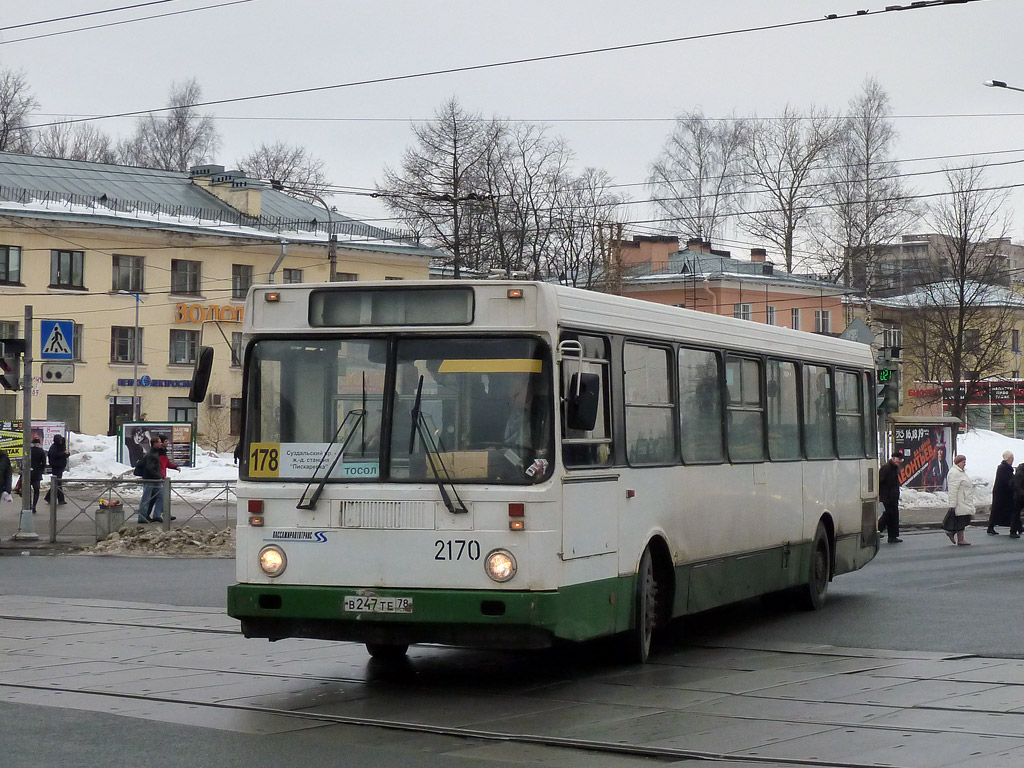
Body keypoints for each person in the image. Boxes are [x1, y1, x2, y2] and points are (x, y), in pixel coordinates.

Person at [946, 454, 975, 546]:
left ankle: (954, 534)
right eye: (963, 462)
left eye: (965, 461)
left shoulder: (961, 472)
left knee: (964, 519)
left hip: (965, 500)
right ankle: (958, 538)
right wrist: (953, 504)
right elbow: (953, 490)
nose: (965, 464)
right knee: (962, 520)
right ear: (958, 463)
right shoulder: (954, 473)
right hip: (960, 501)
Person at [150, 434, 179, 523]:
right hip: (157, 478)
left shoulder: (163, 452)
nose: (168, 443)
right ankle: (156, 515)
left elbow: (166, 463)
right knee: (161, 497)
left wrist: (175, 467)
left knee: (157, 497)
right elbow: (161, 465)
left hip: (160, 477)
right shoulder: (158, 453)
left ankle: (163, 514)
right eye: (166, 441)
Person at [878, 450, 905, 543]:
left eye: (901, 459)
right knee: (888, 515)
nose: (900, 461)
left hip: (893, 496)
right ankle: (876, 531)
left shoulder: (894, 468)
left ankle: (892, 537)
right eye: (899, 459)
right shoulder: (886, 468)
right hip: (887, 496)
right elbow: (879, 482)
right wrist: (879, 495)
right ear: (893, 458)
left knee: (894, 516)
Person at [134, 438, 163, 524]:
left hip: (154, 479)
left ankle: (156, 515)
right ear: (155, 443)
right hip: (150, 479)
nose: (161, 443)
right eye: (159, 442)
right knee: (146, 498)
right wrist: (158, 476)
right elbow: (150, 468)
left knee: (161, 496)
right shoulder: (151, 454)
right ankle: (142, 517)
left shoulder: (155, 452)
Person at [988, 450, 1015, 535]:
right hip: (1001, 493)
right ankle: (990, 527)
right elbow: (1007, 480)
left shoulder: (1006, 468)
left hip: (1004, 493)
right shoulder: (1003, 468)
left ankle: (1015, 526)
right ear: (1007, 459)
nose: (1012, 460)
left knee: (1005, 510)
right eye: (1011, 458)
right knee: (996, 510)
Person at [44, 434, 69, 505]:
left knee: (57, 483)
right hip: (56, 467)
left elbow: (64, 455)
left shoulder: (60, 447)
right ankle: (59, 499)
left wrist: (66, 453)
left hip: (60, 466)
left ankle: (50, 497)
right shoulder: (53, 447)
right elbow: (54, 455)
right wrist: (63, 453)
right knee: (57, 483)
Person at [29, 437, 46, 514]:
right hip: (37, 473)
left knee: (27, 491)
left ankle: (28, 505)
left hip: (28, 473)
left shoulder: (28, 450)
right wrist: (41, 470)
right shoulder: (41, 451)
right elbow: (44, 463)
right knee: (36, 491)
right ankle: (34, 506)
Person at [1011, 462, 1024, 539]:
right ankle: (1013, 531)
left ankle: (1019, 528)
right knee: (1016, 514)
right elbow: (1017, 485)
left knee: (1016, 514)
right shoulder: (1020, 473)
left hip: (1021, 496)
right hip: (1019, 497)